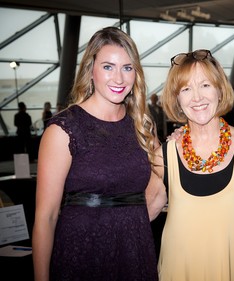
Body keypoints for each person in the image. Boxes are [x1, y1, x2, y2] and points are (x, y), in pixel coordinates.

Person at [32, 26, 164, 281]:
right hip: (82, 255)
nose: (119, 78)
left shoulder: (142, 125)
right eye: (108, 67)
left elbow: (166, 171)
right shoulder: (64, 129)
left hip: (135, 252)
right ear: (90, 70)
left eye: (127, 68)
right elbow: (45, 217)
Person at [150, 49, 234, 281]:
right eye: (186, 89)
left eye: (205, 85)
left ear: (219, 89)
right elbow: (140, 215)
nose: (197, 98)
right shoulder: (164, 156)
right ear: (177, 99)